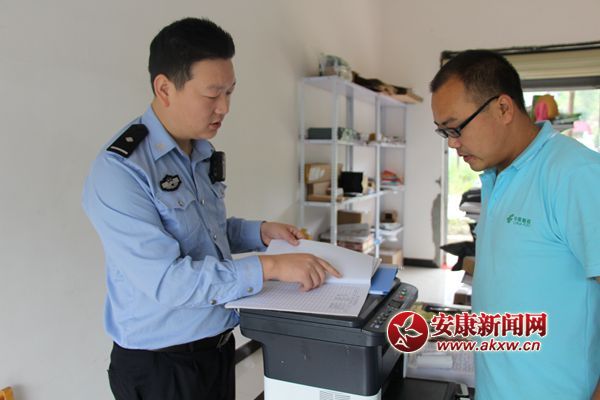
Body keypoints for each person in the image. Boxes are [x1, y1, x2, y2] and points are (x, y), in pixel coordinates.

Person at [82, 17, 340, 400]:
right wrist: (270, 266)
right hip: (161, 368)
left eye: (230, 93)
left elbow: (205, 233)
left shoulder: (199, 152)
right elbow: (168, 281)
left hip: (216, 349)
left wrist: (259, 232)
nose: (225, 107)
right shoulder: (121, 171)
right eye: (212, 94)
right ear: (165, 88)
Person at [430, 50, 600, 399]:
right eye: (443, 131)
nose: (452, 143)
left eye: (457, 127)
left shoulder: (574, 174)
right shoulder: (497, 175)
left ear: (503, 108)